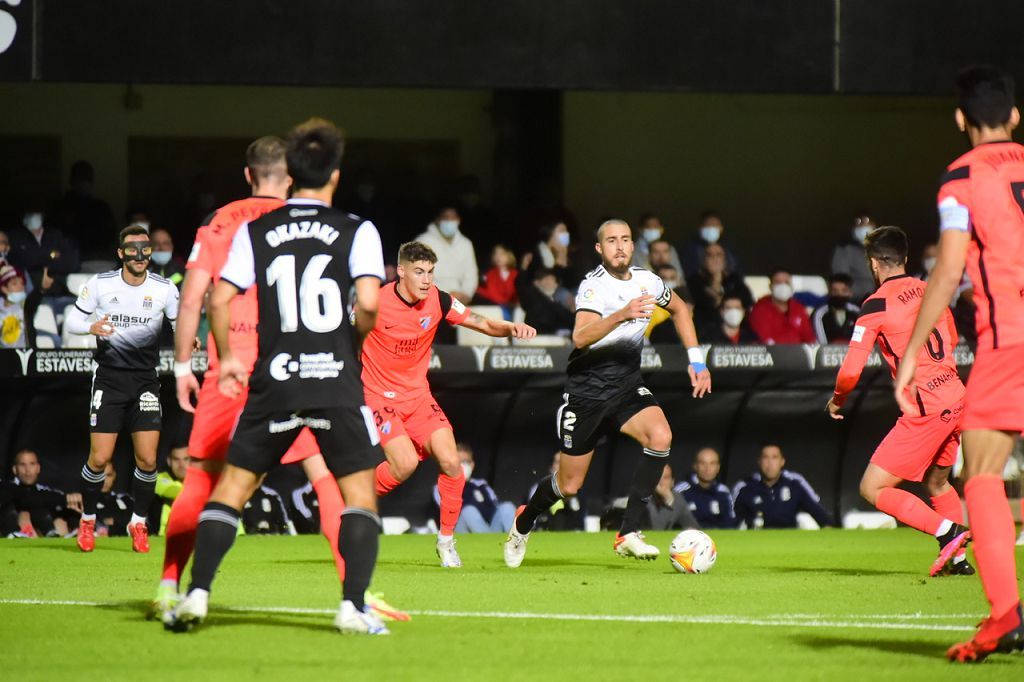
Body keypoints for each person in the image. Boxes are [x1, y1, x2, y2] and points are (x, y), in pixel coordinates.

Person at [157, 134, 405, 626]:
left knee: (221, 484)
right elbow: (371, 304)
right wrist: (350, 343)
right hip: (331, 375)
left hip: (267, 375)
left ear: (273, 174)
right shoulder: (358, 229)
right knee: (348, 490)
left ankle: (187, 592)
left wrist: (213, 359)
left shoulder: (245, 227)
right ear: (335, 174)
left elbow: (209, 299)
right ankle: (355, 602)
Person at [893, 66, 1024, 662]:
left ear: (960, 119)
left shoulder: (959, 181)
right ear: (1015, 116)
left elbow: (946, 272)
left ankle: (1004, 616)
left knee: (983, 475)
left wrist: (912, 353)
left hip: (1010, 340)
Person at [504, 219, 712, 567]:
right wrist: (622, 314)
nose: (620, 246)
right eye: (611, 241)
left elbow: (680, 308)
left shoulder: (648, 280)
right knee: (570, 485)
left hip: (627, 386)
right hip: (587, 393)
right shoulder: (593, 286)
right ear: (600, 249)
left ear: (633, 247)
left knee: (661, 436)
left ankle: (627, 532)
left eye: (626, 240)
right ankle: (523, 521)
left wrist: (697, 361)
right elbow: (580, 337)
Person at [364, 240, 536, 567]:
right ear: (400, 271)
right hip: (379, 396)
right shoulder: (375, 301)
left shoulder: (438, 300)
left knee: (451, 462)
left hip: (418, 398)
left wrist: (510, 327)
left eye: (430, 272)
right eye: (419, 272)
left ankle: (446, 542)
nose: (426, 279)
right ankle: (351, 497)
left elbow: (482, 323)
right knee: (404, 465)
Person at [827, 226, 972, 576]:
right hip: (957, 395)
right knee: (938, 483)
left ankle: (948, 532)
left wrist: (837, 400)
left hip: (926, 406)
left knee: (872, 487)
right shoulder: (930, 289)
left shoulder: (875, 304)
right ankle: (959, 561)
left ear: (874, 265)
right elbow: (951, 338)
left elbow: (850, 371)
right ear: (905, 258)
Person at [64, 224, 180, 553]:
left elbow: (178, 322)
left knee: (147, 460)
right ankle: (87, 519)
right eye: (133, 250)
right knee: (99, 458)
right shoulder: (100, 284)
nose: (141, 256)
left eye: (145, 249)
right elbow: (73, 320)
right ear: (121, 254)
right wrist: (92, 326)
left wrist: (190, 339)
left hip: (145, 380)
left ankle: (138, 522)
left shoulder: (164, 289)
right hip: (110, 379)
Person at [732, 444, 833, 529]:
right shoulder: (746, 489)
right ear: (759, 462)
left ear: (782, 462)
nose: (770, 463)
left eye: (774, 458)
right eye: (765, 458)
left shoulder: (794, 486)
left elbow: (820, 516)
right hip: (757, 542)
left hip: (789, 542)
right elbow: (732, 523)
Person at [432, 443, 517, 534]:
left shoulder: (481, 485)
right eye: (458, 462)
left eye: (465, 462)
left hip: (487, 527)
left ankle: (515, 544)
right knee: (468, 511)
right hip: (459, 531)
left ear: (472, 465)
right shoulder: (443, 486)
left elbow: (495, 508)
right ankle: (487, 545)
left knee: (507, 507)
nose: (462, 466)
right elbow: (446, 515)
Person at [0, 450, 82, 537]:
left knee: (66, 511)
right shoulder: (7, 487)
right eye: (22, 465)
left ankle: (76, 531)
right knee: (25, 510)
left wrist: (72, 500)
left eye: (32, 464)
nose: (27, 470)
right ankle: (13, 534)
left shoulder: (43, 490)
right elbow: (28, 499)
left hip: (41, 530)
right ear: (14, 469)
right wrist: (66, 498)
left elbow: (47, 498)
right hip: (14, 525)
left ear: (38, 468)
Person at [7, 209, 79, 305]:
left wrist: (48, 268)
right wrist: (50, 255)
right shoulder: (15, 236)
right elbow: (20, 261)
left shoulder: (54, 235)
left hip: (60, 291)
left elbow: (71, 262)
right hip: (30, 294)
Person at [52, 160, 117, 262]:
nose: (84, 183)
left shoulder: (101, 208)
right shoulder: (60, 208)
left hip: (96, 259)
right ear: (72, 181)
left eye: (87, 179)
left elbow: (110, 238)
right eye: (80, 179)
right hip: (66, 259)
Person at [414, 205, 478, 306]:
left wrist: (466, 294)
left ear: (458, 220)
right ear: (438, 220)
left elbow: (471, 274)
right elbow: (417, 274)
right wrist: (444, 295)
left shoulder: (465, 244)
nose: (450, 222)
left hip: (459, 302)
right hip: (429, 301)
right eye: (446, 218)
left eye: (453, 218)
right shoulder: (423, 242)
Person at [686, 242, 753, 334]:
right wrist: (716, 279)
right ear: (703, 260)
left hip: (735, 332)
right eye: (710, 255)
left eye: (718, 255)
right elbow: (705, 304)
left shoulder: (734, 280)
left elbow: (748, 302)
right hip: (703, 331)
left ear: (725, 260)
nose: (715, 258)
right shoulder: (694, 281)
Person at [675, 448, 738, 529]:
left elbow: (730, 522)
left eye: (712, 464)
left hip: (717, 538)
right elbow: (672, 520)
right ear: (695, 466)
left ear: (718, 468)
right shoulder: (681, 490)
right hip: (690, 538)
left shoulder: (723, 491)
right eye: (702, 463)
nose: (707, 468)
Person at [748, 268, 815, 344]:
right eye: (778, 282)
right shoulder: (760, 310)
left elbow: (809, 338)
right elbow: (765, 340)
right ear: (771, 286)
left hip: (798, 354)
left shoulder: (799, 308)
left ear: (791, 286)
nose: (783, 286)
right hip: (772, 353)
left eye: (786, 282)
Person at [831, 212, 877, 302]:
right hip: (855, 300)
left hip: (881, 299)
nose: (863, 226)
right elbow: (841, 280)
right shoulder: (844, 250)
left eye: (866, 221)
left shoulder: (882, 248)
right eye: (859, 222)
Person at [681, 210, 742, 277]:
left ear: (721, 228)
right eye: (708, 225)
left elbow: (736, 270)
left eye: (715, 225)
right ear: (700, 228)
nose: (711, 228)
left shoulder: (728, 247)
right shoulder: (691, 248)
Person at [518, 266, 574, 335]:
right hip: (538, 333)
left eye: (553, 280)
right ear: (537, 282)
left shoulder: (555, 302)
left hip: (557, 332)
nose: (551, 283)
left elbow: (569, 319)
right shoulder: (532, 296)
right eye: (547, 279)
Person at [644, 465, 700, 531]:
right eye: (657, 477)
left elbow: (694, 527)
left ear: (672, 482)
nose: (661, 482)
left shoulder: (677, 497)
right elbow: (656, 530)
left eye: (666, 478)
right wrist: (668, 500)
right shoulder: (643, 498)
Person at [0, 264, 43, 348]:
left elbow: (34, 300)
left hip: (25, 357)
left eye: (22, 283)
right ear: (4, 289)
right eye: (15, 284)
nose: (20, 287)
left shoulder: (26, 307)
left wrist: (42, 288)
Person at [811, 273, 861, 344]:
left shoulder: (857, 312)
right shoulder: (820, 314)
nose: (839, 295)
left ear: (850, 293)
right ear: (829, 292)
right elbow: (821, 342)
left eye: (844, 291)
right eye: (835, 291)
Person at [474, 244, 518, 314]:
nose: (498, 257)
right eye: (496, 254)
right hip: (497, 307)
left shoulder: (515, 274)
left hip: (513, 308)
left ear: (509, 255)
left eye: (501, 254)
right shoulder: (491, 274)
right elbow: (491, 293)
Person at [95, 461, 134, 537]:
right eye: (100, 475)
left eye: (108, 475)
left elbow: (139, 525)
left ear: (114, 475)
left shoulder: (126, 500)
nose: (104, 480)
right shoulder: (83, 500)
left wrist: (114, 522)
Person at [155, 446, 188, 534]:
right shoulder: (161, 478)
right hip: (163, 538)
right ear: (169, 461)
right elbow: (172, 490)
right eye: (176, 459)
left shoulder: (200, 482)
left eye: (186, 459)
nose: (181, 465)